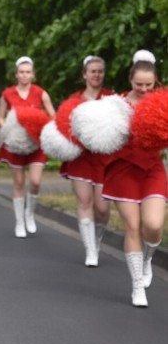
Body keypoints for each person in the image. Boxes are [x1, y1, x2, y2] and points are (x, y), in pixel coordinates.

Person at [101, 50, 166, 308]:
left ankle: (148, 258)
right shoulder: (115, 105)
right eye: (138, 84)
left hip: (152, 169)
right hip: (123, 170)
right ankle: (137, 285)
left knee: (153, 226)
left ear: (155, 81)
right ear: (130, 79)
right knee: (132, 226)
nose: (143, 89)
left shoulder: (162, 103)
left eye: (149, 85)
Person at [59, 56, 114, 267]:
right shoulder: (74, 100)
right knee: (84, 202)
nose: (96, 75)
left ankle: (97, 240)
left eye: (100, 71)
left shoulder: (111, 99)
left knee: (102, 208)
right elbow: (64, 127)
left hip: (104, 158)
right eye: (92, 71)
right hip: (80, 158)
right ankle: (90, 250)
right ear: (84, 74)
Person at [0, 57, 55, 238]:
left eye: (28, 72)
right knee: (19, 182)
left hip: (36, 143)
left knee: (35, 181)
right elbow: (0, 117)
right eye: (21, 72)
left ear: (33, 74)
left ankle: (30, 213)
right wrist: (8, 130)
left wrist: (43, 128)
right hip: (15, 144)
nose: (24, 75)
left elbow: (52, 116)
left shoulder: (41, 93)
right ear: (16, 74)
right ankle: (19, 221)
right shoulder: (8, 94)